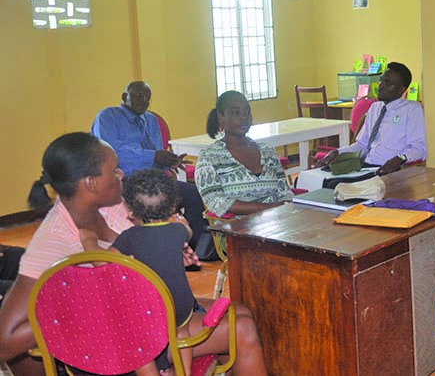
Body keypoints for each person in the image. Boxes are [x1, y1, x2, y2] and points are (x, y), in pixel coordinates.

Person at [0, 132, 269, 376]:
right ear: (92, 183)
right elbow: (7, 340)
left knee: (240, 311)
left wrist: (164, 248)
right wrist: (84, 313)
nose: (121, 173)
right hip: (125, 340)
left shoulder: (113, 205)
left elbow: (131, 251)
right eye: (113, 170)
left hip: (148, 311)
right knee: (241, 329)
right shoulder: (52, 242)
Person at [81, 168, 198, 376]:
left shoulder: (131, 236)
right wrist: (181, 221)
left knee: (138, 339)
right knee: (182, 333)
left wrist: (88, 240)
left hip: (150, 309)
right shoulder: (178, 231)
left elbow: (103, 263)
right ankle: (184, 371)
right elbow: (188, 230)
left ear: (131, 213)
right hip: (182, 304)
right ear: (171, 207)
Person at [91, 81, 209, 258]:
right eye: (139, 95)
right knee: (152, 204)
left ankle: (193, 250)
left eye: (147, 97)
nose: (144, 100)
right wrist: (153, 156)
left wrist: (169, 161)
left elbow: (157, 152)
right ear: (125, 97)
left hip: (155, 179)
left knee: (193, 195)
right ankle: (155, 253)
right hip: (124, 180)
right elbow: (112, 152)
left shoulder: (151, 120)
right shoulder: (108, 117)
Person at [316, 62, 426, 176]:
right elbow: (362, 144)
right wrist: (337, 152)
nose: (381, 85)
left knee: (335, 186)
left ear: (401, 89)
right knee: (318, 179)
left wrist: (399, 159)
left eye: (388, 83)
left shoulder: (412, 110)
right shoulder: (375, 108)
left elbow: (420, 149)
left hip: (387, 170)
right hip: (363, 166)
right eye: (381, 80)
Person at [194, 91, 293, 217]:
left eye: (247, 111)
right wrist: (270, 208)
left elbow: (284, 191)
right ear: (221, 118)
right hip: (236, 230)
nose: (244, 117)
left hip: (277, 223)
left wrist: (286, 208)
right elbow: (217, 202)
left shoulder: (267, 151)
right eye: (236, 112)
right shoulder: (209, 157)